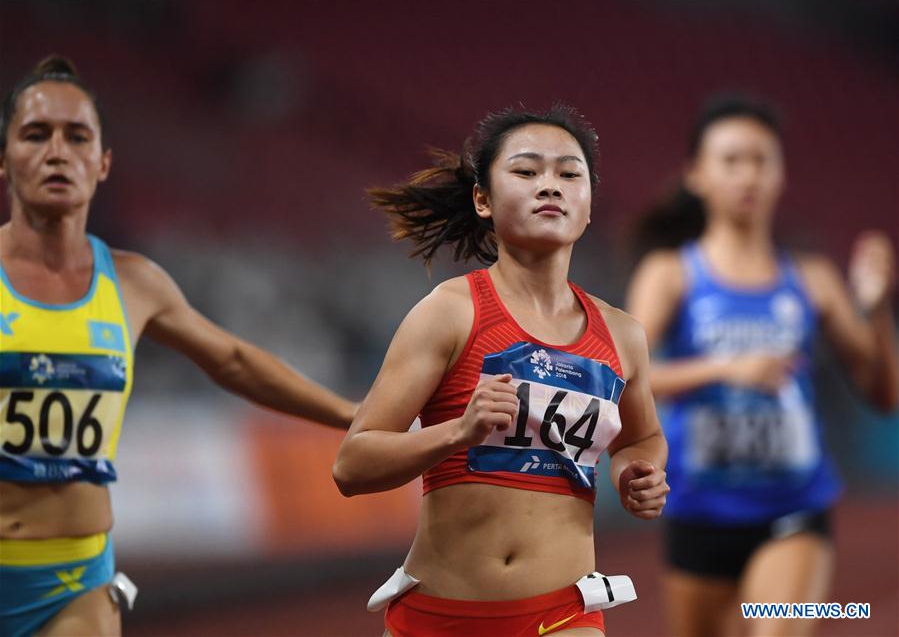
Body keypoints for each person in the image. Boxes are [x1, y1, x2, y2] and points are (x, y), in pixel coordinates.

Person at [0, 55, 357, 637]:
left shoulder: (135, 284)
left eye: (78, 137)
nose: (57, 152)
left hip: (77, 579)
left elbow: (233, 360)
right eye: (36, 135)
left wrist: (351, 415)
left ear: (103, 162)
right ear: (4, 158)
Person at [332, 104, 669, 637]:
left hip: (564, 613)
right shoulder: (449, 313)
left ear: (588, 206)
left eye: (569, 174)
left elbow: (642, 438)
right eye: (527, 171)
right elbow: (352, 466)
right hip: (439, 616)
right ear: (482, 200)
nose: (550, 185)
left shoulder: (622, 335)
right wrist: (458, 432)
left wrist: (636, 472)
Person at [626, 94, 899, 637]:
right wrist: (725, 368)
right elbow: (626, 378)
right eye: (731, 160)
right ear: (697, 175)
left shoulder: (813, 279)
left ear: (780, 173)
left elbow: (884, 395)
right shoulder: (671, 274)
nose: (748, 174)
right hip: (698, 512)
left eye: (761, 159)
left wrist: (876, 309)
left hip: (794, 510)